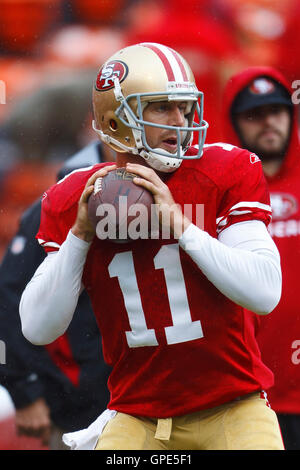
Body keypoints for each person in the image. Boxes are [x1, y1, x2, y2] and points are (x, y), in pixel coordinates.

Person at [19, 42, 284, 451]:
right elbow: (37, 327)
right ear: (115, 119)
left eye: (184, 106)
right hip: (137, 413)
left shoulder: (223, 170)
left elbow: (265, 292)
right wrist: (81, 236)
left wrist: (182, 227)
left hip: (232, 405)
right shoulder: (78, 196)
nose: (180, 120)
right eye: (162, 107)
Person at [0, 140, 113, 449]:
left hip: (154, 399)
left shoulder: (173, 196)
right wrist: (25, 390)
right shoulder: (64, 200)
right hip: (79, 408)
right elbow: (4, 301)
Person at [222, 66, 300, 451]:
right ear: (234, 123)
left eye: (278, 110)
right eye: (254, 114)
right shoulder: (219, 192)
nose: (269, 122)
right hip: (245, 395)